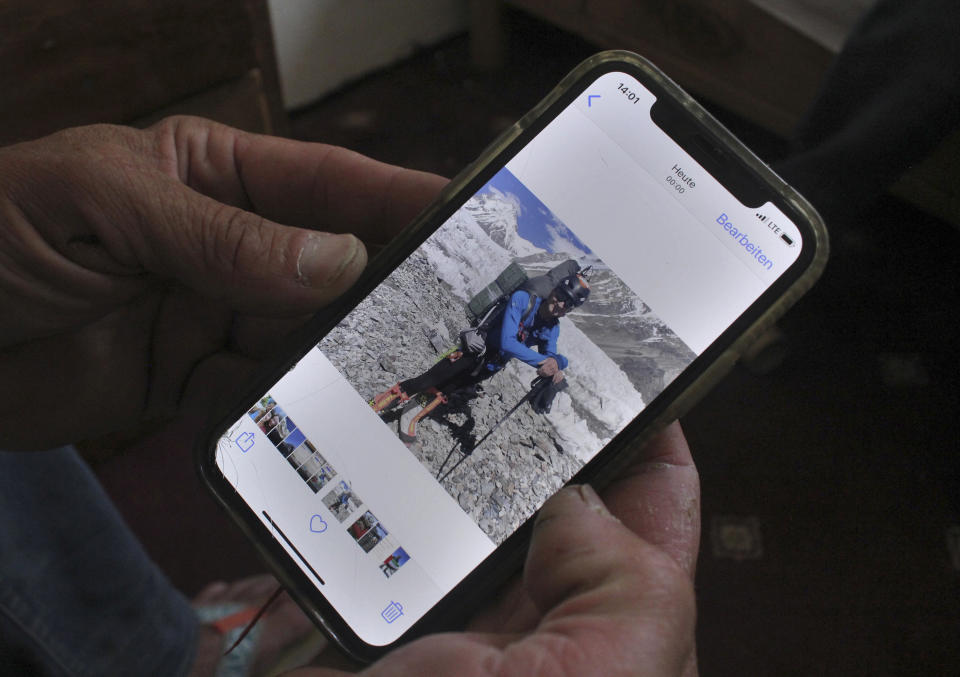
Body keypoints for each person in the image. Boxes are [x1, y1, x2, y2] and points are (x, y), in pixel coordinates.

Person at [0, 116, 699, 676]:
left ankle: (169, 641)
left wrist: (554, 365)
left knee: (441, 397)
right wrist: (537, 360)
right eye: (569, 292)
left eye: (574, 298)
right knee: (426, 385)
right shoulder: (523, 296)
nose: (567, 301)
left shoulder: (549, 318)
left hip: (478, 369)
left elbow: (541, 347)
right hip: (468, 355)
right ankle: (176, 656)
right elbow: (519, 339)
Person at [371, 265, 590, 444]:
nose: (560, 304)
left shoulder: (552, 328)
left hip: (491, 365)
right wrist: (545, 361)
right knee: (428, 379)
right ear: (554, 290)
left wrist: (558, 363)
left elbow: (552, 353)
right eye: (561, 296)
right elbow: (508, 341)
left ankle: (413, 413)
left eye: (568, 304)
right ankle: (381, 403)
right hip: (473, 349)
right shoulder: (523, 299)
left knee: (446, 390)